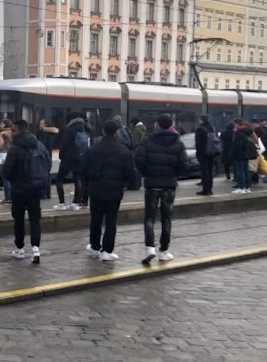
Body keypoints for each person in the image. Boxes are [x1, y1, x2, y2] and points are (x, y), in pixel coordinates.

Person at [134, 114, 187, 265]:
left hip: (152, 184)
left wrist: (146, 173)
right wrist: (174, 175)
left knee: (149, 217)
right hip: (169, 185)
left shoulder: (147, 140)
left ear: (157, 124)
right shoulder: (178, 142)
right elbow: (183, 165)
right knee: (166, 218)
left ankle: (150, 248)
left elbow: (139, 159)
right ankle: (164, 251)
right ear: (171, 125)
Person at [82, 120, 136, 261]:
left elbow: (83, 169)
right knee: (111, 222)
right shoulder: (123, 151)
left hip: (96, 191)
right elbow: (130, 174)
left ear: (103, 131)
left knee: (95, 220)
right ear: (117, 132)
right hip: (114, 192)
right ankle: (107, 251)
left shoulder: (93, 149)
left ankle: (94, 248)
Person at [3, 119, 51, 264]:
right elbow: (48, 164)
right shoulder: (39, 145)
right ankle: (36, 249)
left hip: (19, 189)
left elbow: (7, 171)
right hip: (35, 189)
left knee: (19, 219)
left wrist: (14, 180)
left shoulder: (14, 148)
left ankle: (19, 249)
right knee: (35, 219)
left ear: (17, 130)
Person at [54, 113, 89, 211]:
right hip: (80, 158)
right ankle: (75, 203)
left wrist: (61, 156)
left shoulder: (69, 130)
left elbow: (64, 144)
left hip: (68, 158)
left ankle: (61, 203)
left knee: (59, 179)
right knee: (77, 179)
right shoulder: (83, 129)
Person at [194, 114, 217, 196]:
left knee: (204, 172)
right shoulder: (212, 128)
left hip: (203, 153)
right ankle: (210, 189)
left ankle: (205, 190)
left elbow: (198, 143)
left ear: (201, 120)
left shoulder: (200, 129)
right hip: (212, 152)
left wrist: (198, 153)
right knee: (210, 171)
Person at [35, 119, 59, 199]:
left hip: (44, 156)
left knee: (43, 175)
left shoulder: (45, 134)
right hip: (48, 156)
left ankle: (44, 193)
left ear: (45, 124)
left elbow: (43, 145)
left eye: (41, 123)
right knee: (47, 175)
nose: (39, 125)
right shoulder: (50, 133)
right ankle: (47, 193)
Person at [0, 119, 15, 205]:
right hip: (13, 155)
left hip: (5, 156)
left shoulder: (3, 133)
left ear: (6, 125)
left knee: (6, 178)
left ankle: (8, 197)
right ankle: (13, 197)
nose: (0, 125)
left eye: (2, 124)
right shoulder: (13, 132)